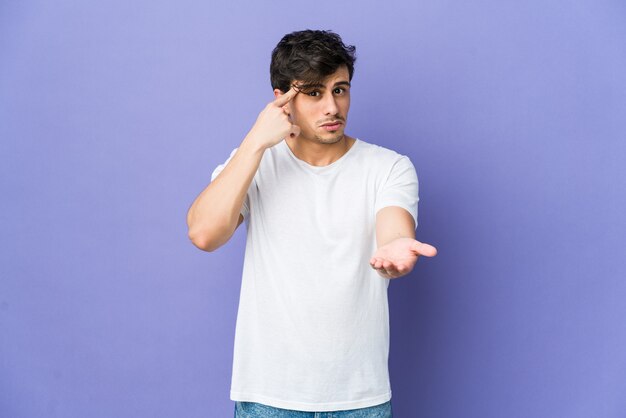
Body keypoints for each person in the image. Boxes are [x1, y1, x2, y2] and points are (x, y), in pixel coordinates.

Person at [186, 29, 437, 417]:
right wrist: (255, 141)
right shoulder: (255, 161)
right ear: (282, 99)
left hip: (360, 399)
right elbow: (204, 234)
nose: (332, 107)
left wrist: (396, 247)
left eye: (340, 89)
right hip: (267, 396)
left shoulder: (388, 166)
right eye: (314, 93)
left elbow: (394, 226)